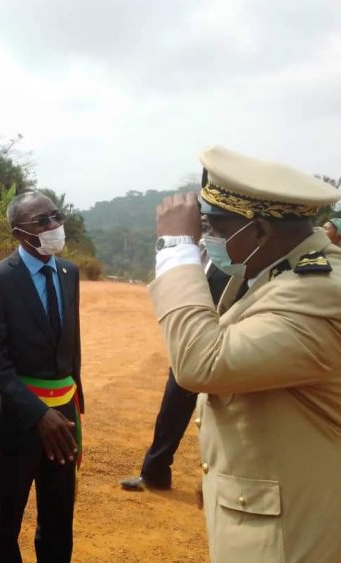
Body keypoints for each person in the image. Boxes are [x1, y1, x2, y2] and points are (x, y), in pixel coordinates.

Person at [152, 145, 341, 562]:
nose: (207, 239)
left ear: (259, 232)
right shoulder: (278, 271)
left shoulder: (319, 292)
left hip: (295, 536)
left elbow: (201, 363)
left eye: (213, 227)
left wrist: (175, 247)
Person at [0, 191, 84, 563]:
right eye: (42, 221)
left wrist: (73, 408)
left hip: (64, 421)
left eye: (56, 216)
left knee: (58, 520)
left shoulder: (70, 273)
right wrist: (39, 415)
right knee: (6, 525)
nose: (54, 226)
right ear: (20, 233)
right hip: (19, 423)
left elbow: (72, 346)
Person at [120, 262, 229, 492]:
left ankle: (227, 486)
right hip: (191, 347)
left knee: (227, 417)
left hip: (228, 348)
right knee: (172, 408)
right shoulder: (200, 257)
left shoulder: (241, 256)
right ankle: (155, 472)